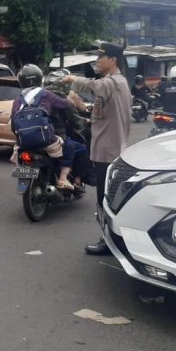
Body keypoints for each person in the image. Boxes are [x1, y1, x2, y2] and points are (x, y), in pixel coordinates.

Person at [63, 43, 131, 255]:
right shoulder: (114, 83)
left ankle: (108, 242)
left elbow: (96, 87)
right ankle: (112, 239)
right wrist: (81, 106)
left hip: (108, 152)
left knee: (105, 199)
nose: (97, 61)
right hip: (106, 149)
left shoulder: (113, 82)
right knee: (107, 197)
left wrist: (73, 79)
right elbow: (100, 114)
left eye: (101, 57)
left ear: (113, 60)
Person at [11, 64, 76, 189]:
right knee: (71, 146)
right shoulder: (45, 94)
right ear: (39, 78)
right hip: (47, 140)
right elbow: (64, 105)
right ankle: (63, 179)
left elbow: (13, 125)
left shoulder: (18, 100)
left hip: (23, 143)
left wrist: (19, 139)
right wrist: (71, 99)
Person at [43, 68, 90, 188]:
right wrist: (86, 122)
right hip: (57, 137)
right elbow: (76, 122)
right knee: (82, 149)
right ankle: (74, 180)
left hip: (37, 136)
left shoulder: (37, 97)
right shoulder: (63, 101)